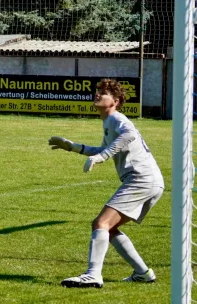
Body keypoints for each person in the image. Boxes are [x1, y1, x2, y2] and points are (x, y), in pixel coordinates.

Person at [49, 78, 164, 288]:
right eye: (97, 91)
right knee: (108, 229)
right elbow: (104, 148)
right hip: (149, 181)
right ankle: (143, 273)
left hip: (141, 179)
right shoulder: (108, 122)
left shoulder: (117, 119)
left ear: (116, 101)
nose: (97, 94)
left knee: (100, 223)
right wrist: (73, 147)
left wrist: (101, 157)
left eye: (103, 92)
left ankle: (93, 275)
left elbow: (129, 134)